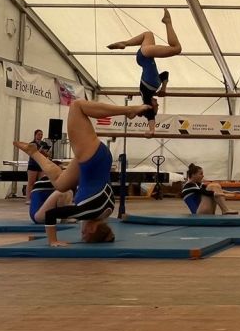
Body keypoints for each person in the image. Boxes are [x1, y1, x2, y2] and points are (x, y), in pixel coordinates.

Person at [14, 99, 150, 246]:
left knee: (60, 183)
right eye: (83, 233)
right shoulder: (86, 212)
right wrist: (53, 240)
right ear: (92, 228)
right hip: (92, 159)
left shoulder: (107, 211)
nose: (81, 231)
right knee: (77, 106)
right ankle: (128, 111)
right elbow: (50, 214)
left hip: (95, 164)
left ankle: (34, 153)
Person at [106, 9, 181, 136]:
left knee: (176, 49)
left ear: (149, 106)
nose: (158, 104)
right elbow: (165, 74)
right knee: (148, 34)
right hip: (144, 57)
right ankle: (125, 43)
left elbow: (150, 115)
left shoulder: (146, 96)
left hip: (145, 56)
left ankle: (168, 22)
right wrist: (164, 88)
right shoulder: (155, 87)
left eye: (156, 106)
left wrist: (152, 130)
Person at [25, 129, 50, 196]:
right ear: (35, 135)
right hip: (33, 164)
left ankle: (38, 197)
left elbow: (47, 155)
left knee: (41, 182)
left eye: (41, 134)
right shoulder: (32, 144)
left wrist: (44, 152)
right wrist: (39, 150)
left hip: (41, 164)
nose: (40, 136)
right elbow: (32, 154)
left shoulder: (44, 144)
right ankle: (28, 198)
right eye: (39, 134)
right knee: (31, 182)